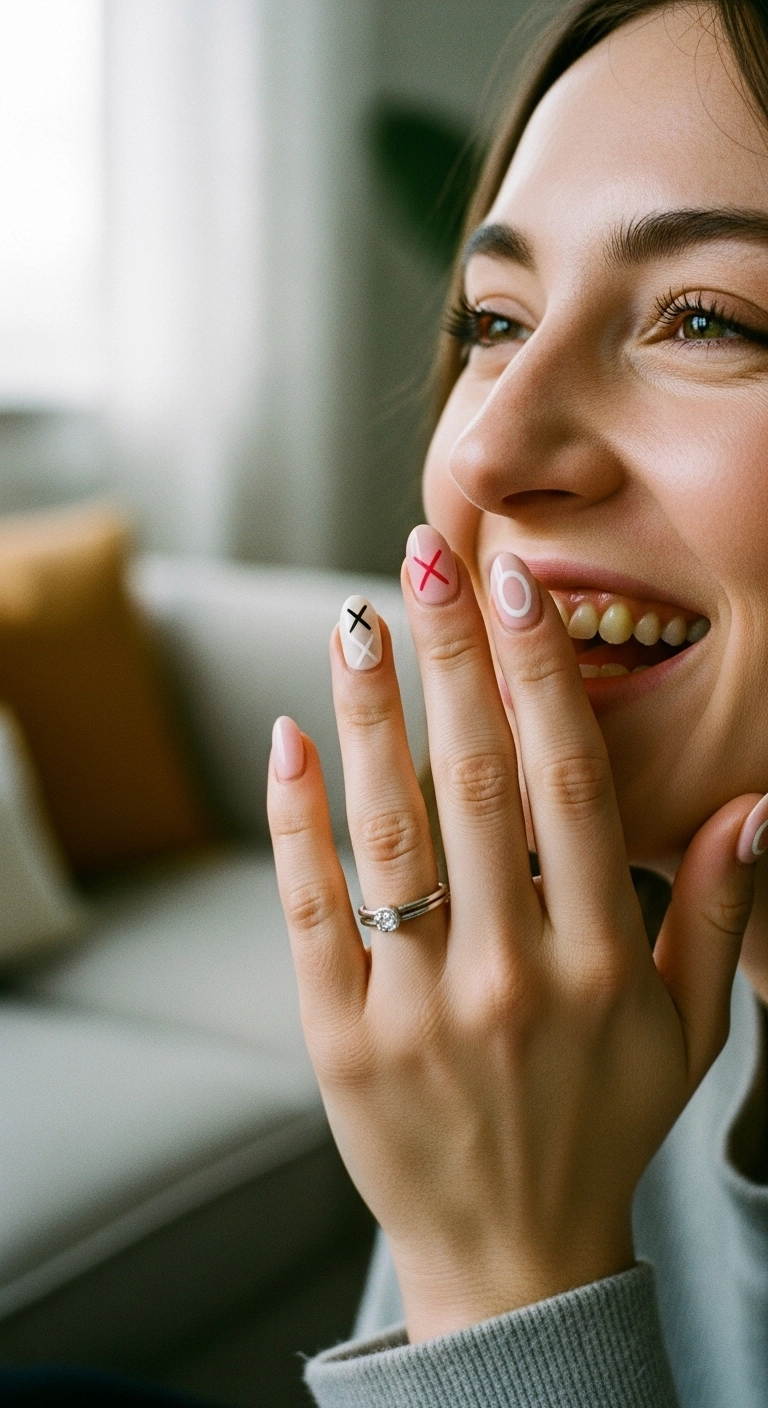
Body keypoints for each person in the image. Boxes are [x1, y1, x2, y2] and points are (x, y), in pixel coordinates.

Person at [267, 1, 768, 1404]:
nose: (482, 445)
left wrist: (512, 1286)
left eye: (707, 317)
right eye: (494, 320)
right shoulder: (558, 1000)